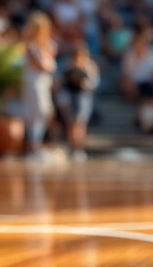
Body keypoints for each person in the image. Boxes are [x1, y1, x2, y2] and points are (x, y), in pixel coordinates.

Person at [20, 11, 57, 160]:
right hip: (33, 82)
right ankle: (33, 147)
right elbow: (40, 65)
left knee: (45, 113)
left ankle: (36, 144)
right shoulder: (31, 46)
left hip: (43, 82)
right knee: (36, 113)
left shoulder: (46, 46)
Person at [57, 43, 100, 160]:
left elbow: (93, 83)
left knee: (80, 124)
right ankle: (73, 148)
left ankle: (79, 148)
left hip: (83, 98)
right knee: (72, 124)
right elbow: (61, 82)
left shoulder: (90, 67)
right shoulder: (68, 66)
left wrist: (85, 82)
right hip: (70, 98)